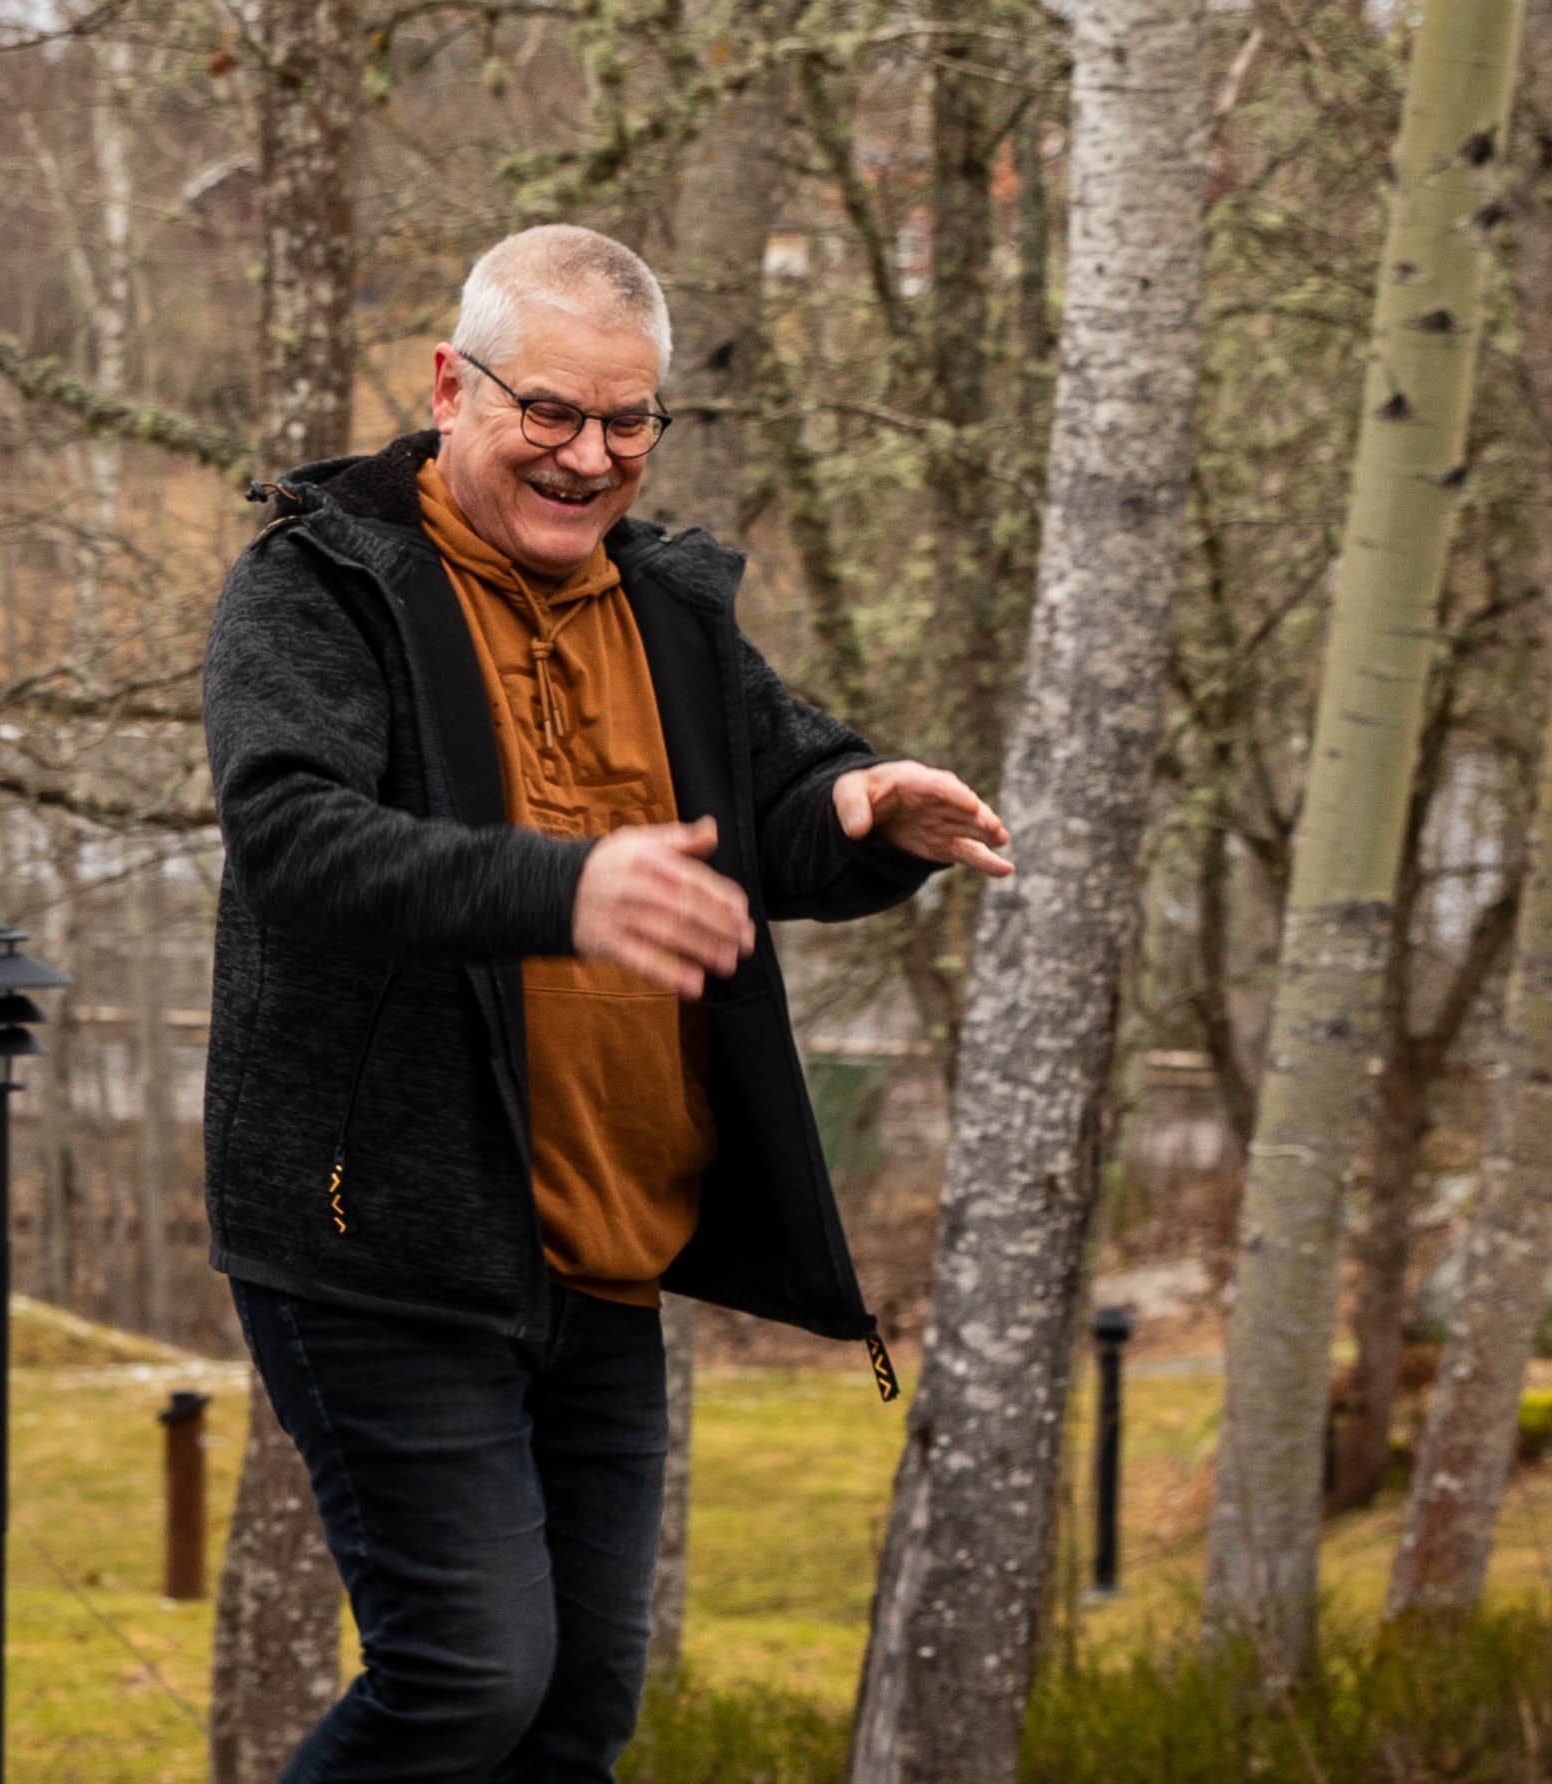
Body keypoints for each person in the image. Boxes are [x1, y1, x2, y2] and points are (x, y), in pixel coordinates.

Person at [199, 225, 1016, 1782]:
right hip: (384, 1243)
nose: (589, 458)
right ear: (451, 385)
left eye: (627, 421)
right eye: (550, 414)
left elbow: (776, 803)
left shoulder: (667, 609)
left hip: (609, 1253)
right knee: (464, 1682)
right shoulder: (319, 588)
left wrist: (864, 809)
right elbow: (296, 841)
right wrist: (566, 888)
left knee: (574, 1718)